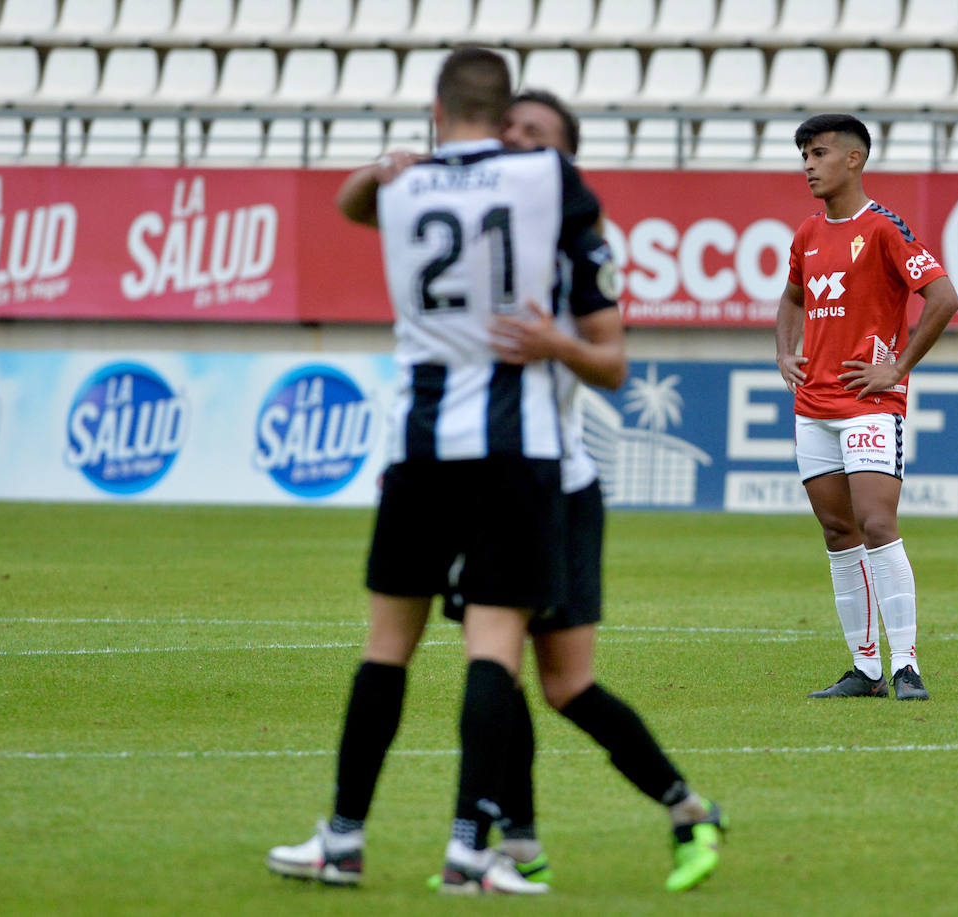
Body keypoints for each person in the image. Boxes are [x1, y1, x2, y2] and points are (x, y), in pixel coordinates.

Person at [266, 48, 602, 895]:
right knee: (493, 649)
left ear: (435, 108)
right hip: (517, 446)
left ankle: (341, 839)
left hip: (418, 445)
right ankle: (468, 853)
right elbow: (583, 256)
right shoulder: (547, 177)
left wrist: (388, 165)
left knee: (387, 647)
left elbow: (350, 204)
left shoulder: (404, 185)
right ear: (505, 111)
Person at [432, 86, 724, 895]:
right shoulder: (473, 230)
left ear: (565, 156)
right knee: (501, 671)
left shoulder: (578, 244)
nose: (516, 140)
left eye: (537, 133)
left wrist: (551, 342)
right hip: (485, 476)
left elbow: (613, 364)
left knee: (564, 684)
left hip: (555, 485)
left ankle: (687, 808)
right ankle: (520, 845)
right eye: (508, 127)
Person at [775, 113, 958, 701]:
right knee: (837, 531)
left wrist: (897, 369)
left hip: (868, 404)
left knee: (877, 524)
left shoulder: (883, 228)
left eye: (819, 153)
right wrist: (784, 352)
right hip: (813, 407)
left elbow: (943, 297)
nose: (809, 165)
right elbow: (792, 298)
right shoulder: (807, 232)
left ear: (853, 159)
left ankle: (906, 664)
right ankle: (867, 669)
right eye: (804, 155)